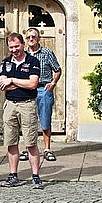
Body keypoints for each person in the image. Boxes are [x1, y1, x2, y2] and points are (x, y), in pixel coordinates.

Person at [0, 32, 43, 189]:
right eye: (11, 47)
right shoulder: (5, 62)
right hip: (10, 104)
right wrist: (17, 82)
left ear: (23, 45)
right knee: (11, 142)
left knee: (30, 142)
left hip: (27, 104)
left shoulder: (33, 61)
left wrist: (12, 80)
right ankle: (13, 175)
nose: (14, 50)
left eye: (16, 46)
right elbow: (3, 85)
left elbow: (33, 84)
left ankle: (35, 176)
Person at [23, 27, 61, 162]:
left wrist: (53, 83)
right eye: (28, 37)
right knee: (27, 120)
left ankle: (47, 148)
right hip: (27, 90)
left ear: (38, 38)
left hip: (43, 89)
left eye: (33, 37)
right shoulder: (23, 54)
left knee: (45, 120)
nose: (31, 39)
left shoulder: (46, 53)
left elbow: (57, 69)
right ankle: (29, 147)